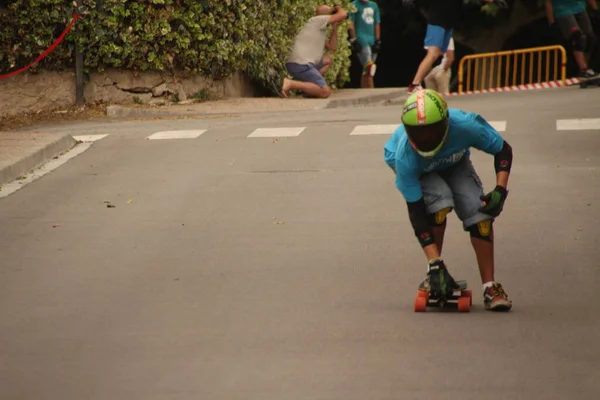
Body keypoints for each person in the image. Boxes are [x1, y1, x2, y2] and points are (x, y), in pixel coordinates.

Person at [383, 88, 514, 311]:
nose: (425, 138)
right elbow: (416, 214)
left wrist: (500, 190)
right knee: (439, 204)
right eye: (418, 132)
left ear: (446, 121)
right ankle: (434, 271)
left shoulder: (466, 125)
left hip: (455, 163)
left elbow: (503, 150)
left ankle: (490, 287)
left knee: (480, 214)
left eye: (431, 131)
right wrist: (435, 263)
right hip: (421, 170)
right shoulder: (404, 157)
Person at [403, 0, 506, 94]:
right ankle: (414, 84)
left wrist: (493, 1)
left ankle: (428, 81)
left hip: (448, 24)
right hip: (437, 23)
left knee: (443, 56)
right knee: (433, 54)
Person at [281, 5, 348, 99]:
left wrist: (335, 27)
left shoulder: (317, 28)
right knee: (325, 92)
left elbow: (333, 47)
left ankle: (312, 89)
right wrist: (338, 8)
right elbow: (343, 14)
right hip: (301, 65)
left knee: (327, 59)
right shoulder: (317, 20)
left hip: (298, 64)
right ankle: (291, 84)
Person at [545, 0, 598, 79]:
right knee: (579, 38)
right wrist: (551, 21)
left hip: (580, 7)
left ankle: (587, 67)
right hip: (563, 11)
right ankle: (583, 69)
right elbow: (548, 2)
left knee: (590, 38)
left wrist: (595, 9)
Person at [348, 0, 382, 88]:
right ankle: (371, 90)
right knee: (369, 66)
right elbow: (351, 23)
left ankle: (364, 89)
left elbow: (377, 23)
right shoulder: (354, 5)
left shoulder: (374, 5)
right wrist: (354, 40)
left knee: (367, 68)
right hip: (361, 38)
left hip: (372, 39)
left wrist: (378, 40)